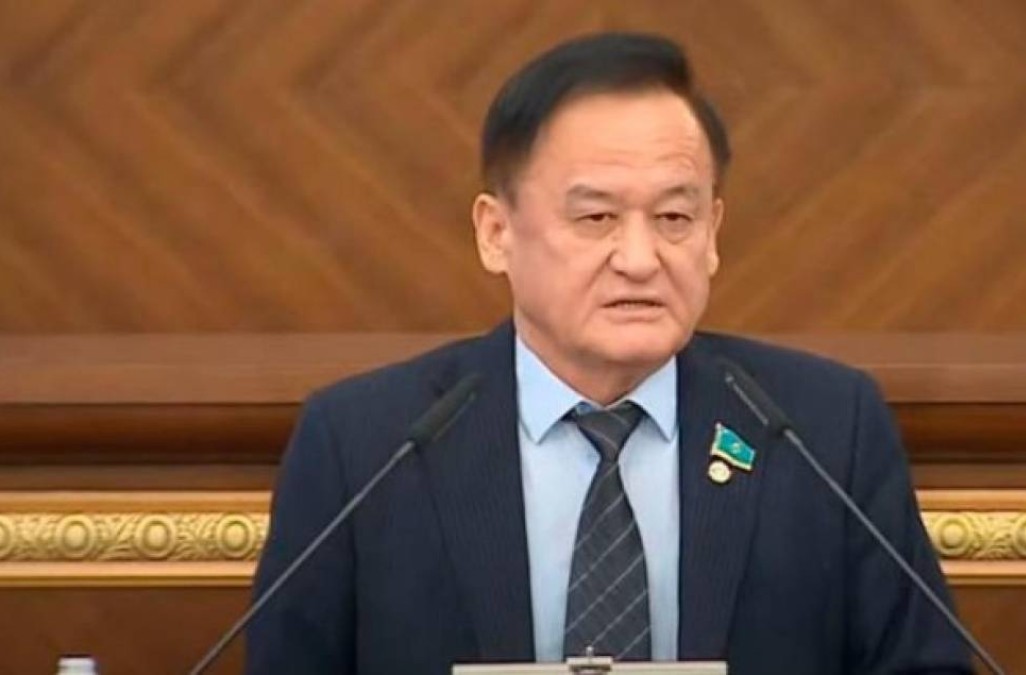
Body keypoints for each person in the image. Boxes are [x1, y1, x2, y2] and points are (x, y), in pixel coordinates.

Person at [247, 32, 972, 675]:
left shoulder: (824, 428)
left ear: (712, 233)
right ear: (496, 233)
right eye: (596, 217)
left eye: (675, 217)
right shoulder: (364, 444)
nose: (640, 258)